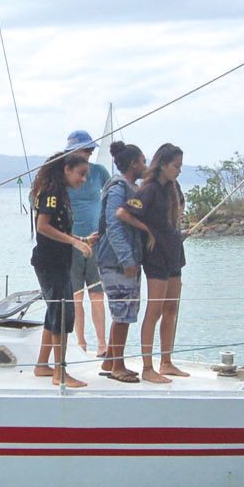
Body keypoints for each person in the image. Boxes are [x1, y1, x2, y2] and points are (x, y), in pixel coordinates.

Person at [30, 151, 94, 389]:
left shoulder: (59, 193)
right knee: (63, 313)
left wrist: (82, 239)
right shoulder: (52, 194)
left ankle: (42, 365)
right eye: (81, 173)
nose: (84, 179)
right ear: (67, 169)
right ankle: (60, 372)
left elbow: (58, 230)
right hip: (50, 262)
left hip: (58, 260)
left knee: (54, 311)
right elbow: (43, 227)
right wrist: (74, 243)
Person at [95, 142, 154, 383]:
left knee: (127, 310)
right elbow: (113, 224)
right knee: (122, 312)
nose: (145, 165)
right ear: (133, 164)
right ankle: (117, 366)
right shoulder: (119, 187)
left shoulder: (132, 187)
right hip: (115, 261)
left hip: (123, 259)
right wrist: (127, 259)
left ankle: (111, 359)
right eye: (142, 161)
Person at [128, 143, 188, 379]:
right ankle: (147, 367)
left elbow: (179, 208)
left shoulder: (173, 187)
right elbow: (125, 213)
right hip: (156, 256)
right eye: (176, 166)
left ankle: (167, 360)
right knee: (154, 309)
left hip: (174, 251)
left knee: (171, 308)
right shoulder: (149, 189)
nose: (179, 170)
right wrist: (148, 232)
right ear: (163, 164)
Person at [62, 129, 110, 353]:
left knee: (98, 295)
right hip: (71, 241)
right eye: (86, 149)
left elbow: (114, 194)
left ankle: (102, 344)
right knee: (76, 296)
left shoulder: (99, 172)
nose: (90, 153)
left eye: (91, 150)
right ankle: (80, 343)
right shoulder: (63, 174)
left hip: (96, 240)